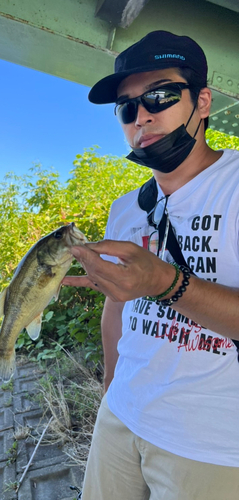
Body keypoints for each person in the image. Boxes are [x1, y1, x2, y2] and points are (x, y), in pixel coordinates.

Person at [63, 30, 239, 499]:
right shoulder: (126, 208)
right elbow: (116, 308)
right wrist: (109, 386)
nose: (141, 115)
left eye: (159, 96)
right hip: (121, 415)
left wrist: (163, 281)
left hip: (211, 445)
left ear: (203, 101)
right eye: (126, 107)